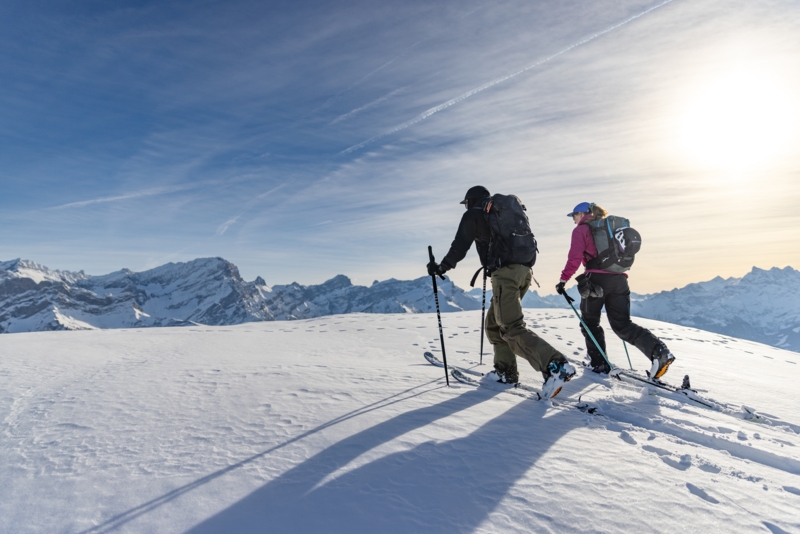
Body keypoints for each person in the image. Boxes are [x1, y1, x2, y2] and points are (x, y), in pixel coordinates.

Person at [427, 186, 575, 398]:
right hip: (524, 271)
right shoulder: (503, 212)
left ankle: (555, 366)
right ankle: (506, 372)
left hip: (505, 274)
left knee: (511, 327)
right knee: (494, 326)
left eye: (466, 202)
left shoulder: (475, 214)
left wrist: (441, 268)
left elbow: (460, 246)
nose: (465, 206)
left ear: (471, 200)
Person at [556, 202, 675, 379]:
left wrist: (563, 279)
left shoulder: (581, 230)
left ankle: (599, 364)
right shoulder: (608, 229)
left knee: (589, 323)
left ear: (581, 214)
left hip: (596, 281)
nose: (573, 220)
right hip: (620, 280)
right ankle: (659, 352)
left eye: (574, 216)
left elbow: (574, 258)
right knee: (622, 324)